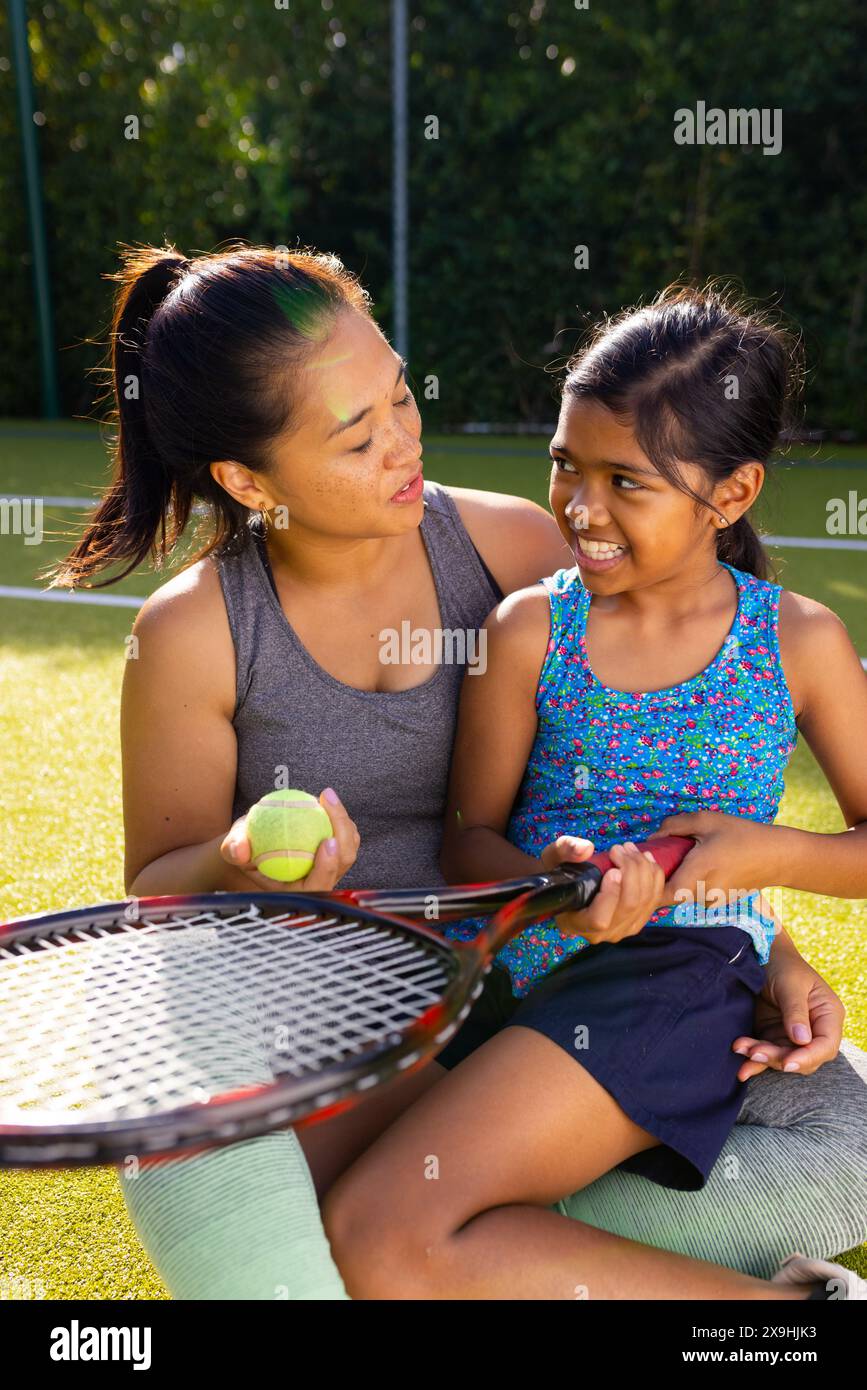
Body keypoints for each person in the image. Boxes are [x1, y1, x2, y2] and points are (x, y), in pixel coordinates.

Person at [50, 248, 867, 1299]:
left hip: (531, 994)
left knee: (839, 1132)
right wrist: (242, 859)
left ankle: (486, 1252)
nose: (403, 444)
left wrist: (769, 947)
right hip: (335, 1022)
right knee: (356, 1203)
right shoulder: (194, 633)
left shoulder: (512, 549)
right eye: (357, 436)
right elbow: (159, 891)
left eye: (400, 394)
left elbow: (625, 790)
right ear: (249, 480)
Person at [320, 285, 867, 1298]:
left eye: (626, 480)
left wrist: (767, 853)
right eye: (566, 465)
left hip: (678, 978)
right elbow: (468, 840)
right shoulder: (530, 629)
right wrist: (552, 882)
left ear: (732, 494)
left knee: (377, 1232)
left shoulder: (799, 641)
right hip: (517, 972)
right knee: (380, 1221)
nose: (581, 507)